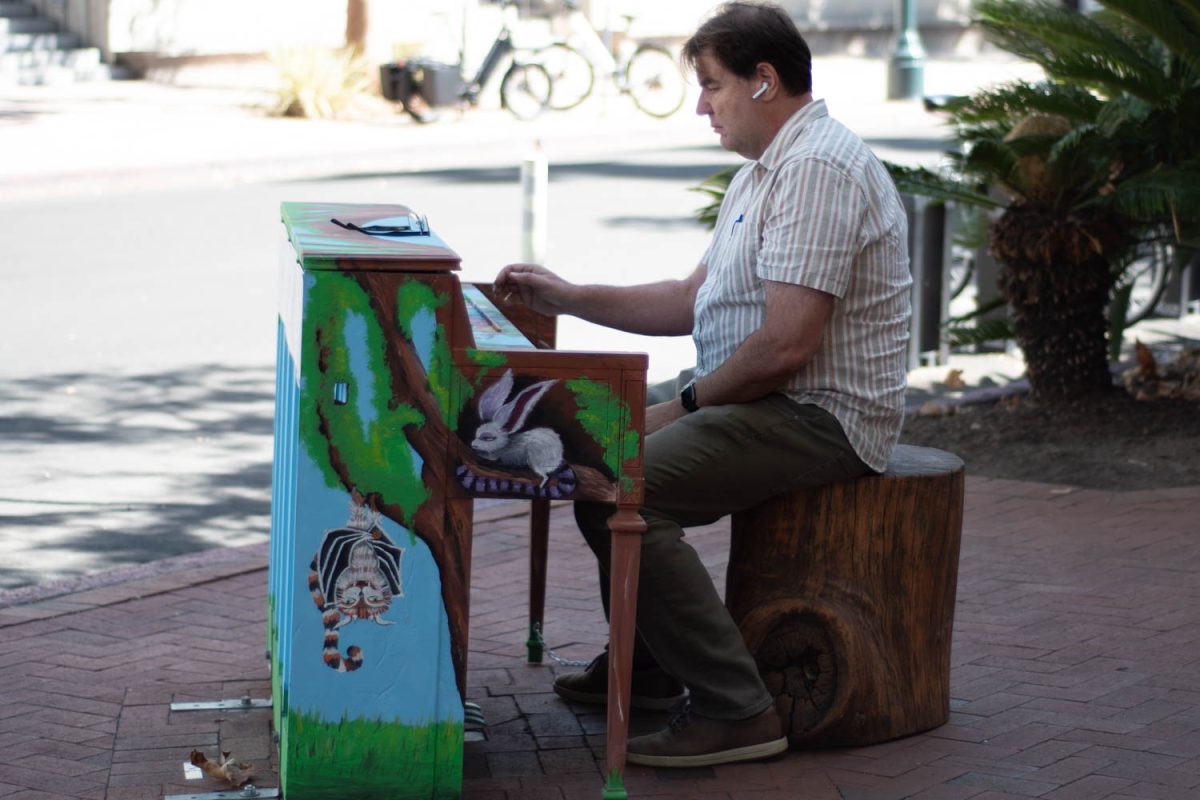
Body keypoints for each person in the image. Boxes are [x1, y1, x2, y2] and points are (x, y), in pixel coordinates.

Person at [495, 0, 912, 769]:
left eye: (712, 86)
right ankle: (655, 666)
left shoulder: (817, 168)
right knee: (590, 461)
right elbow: (694, 301)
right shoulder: (765, 170)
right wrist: (569, 296)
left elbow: (787, 346)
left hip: (817, 413)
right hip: (762, 391)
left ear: (764, 80)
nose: (699, 105)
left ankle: (736, 708)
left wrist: (677, 405)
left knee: (623, 484)